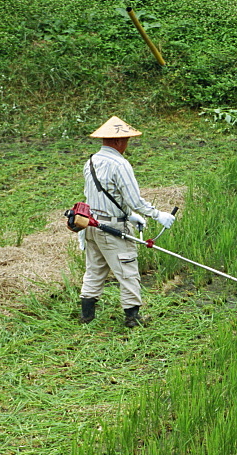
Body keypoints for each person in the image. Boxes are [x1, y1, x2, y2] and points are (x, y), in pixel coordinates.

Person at [78, 115, 176, 328]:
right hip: (112, 228)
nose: (127, 144)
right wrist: (158, 214)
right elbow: (134, 199)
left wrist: (128, 214)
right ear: (117, 141)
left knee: (95, 269)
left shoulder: (91, 161)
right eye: (127, 140)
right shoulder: (120, 164)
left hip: (91, 224)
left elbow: (93, 194)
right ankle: (132, 318)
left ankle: (86, 316)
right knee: (127, 269)